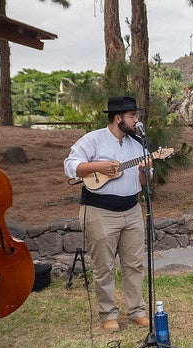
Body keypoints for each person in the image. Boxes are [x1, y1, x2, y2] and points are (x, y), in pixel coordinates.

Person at [63, 96, 152, 332]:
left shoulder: (138, 145)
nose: (136, 120)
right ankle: (108, 313)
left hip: (131, 209)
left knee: (134, 264)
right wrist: (98, 167)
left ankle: (136, 311)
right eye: (132, 116)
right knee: (104, 266)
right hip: (99, 211)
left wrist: (145, 171)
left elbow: (144, 183)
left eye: (136, 115)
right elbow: (71, 166)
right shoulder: (93, 140)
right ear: (117, 118)